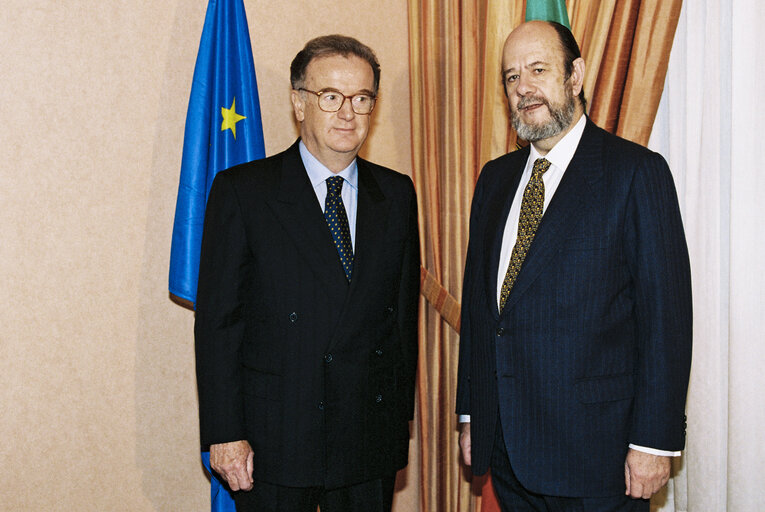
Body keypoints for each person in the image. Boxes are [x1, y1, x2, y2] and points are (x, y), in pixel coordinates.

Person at [456, 21, 692, 511]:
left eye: (538, 70)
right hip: (506, 452)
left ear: (575, 75)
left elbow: (665, 320)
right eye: (511, 76)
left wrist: (654, 443)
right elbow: (481, 313)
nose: (523, 87)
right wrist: (471, 414)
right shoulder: (494, 180)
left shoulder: (636, 173)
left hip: (598, 460)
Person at [194, 35, 420, 512]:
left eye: (361, 99)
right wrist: (225, 433)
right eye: (330, 97)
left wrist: (397, 427)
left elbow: (401, 323)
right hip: (274, 440)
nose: (347, 114)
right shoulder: (245, 192)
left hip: (365, 440)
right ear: (299, 103)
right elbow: (218, 325)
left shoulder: (397, 195)